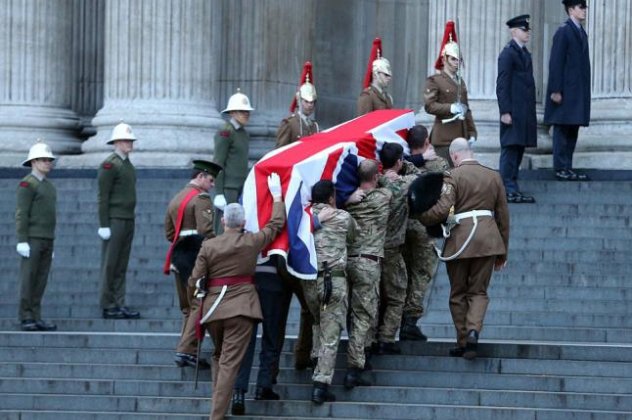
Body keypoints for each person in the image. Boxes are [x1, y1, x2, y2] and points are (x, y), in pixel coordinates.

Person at [192, 173, 285, 420]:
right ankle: (216, 415)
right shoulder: (251, 242)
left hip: (213, 310)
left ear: (223, 221)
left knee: (220, 357)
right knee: (229, 363)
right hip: (241, 308)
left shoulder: (209, 246)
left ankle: (218, 408)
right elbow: (276, 224)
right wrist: (276, 196)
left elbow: (195, 279)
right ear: (243, 222)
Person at [417, 138, 509, 360]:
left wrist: (420, 214)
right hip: (488, 242)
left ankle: (463, 339)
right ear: (470, 152)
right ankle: (474, 331)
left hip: (460, 241)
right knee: (478, 291)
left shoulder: (452, 176)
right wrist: (503, 251)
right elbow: (503, 216)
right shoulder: (494, 176)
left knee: (458, 293)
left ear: (454, 156)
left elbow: (443, 209)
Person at [164, 159, 222, 369]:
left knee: (188, 307)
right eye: (211, 179)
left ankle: (188, 349)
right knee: (199, 303)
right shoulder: (202, 198)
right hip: (195, 255)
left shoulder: (176, 198)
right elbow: (206, 231)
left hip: (178, 255)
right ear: (200, 177)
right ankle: (186, 350)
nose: (212, 184)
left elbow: (169, 233)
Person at [303, 180, 357, 404]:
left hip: (309, 283)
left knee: (317, 321)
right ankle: (321, 384)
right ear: (332, 197)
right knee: (330, 334)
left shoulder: (303, 219)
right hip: (333, 282)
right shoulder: (343, 217)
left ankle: (316, 360)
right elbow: (354, 237)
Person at [344, 160, 392, 388]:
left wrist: (350, 189)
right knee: (364, 316)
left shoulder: (346, 201)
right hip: (368, 264)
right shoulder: (383, 197)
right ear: (375, 177)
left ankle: (357, 353)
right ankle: (355, 367)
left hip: (346, 262)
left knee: (352, 313)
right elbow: (390, 182)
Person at [401, 125, 448, 341]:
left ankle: (393, 319)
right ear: (427, 141)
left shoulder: (401, 163)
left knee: (402, 273)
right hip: (424, 226)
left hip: (400, 226)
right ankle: (409, 320)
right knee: (421, 273)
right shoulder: (438, 164)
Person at [374, 143, 421, 355]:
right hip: (392, 251)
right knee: (397, 296)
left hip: (371, 250)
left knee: (373, 297)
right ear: (400, 161)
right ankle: (386, 338)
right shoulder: (401, 185)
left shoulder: (371, 183)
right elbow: (420, 177)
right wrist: (405, 167)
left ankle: (369, 340)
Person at [544, 0, 591, 181]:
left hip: (576, 92)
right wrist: (555, 89)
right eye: (581, 7)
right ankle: (560, 167)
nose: (584, 11)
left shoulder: (580, 32)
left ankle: (567, 166)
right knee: (562, 129)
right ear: (571, 9)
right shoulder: (564, 31)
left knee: (572, 129)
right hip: (564, 92)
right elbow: (556, 62)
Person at [98, 122, 140, 320]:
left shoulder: (126, 164)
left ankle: (119, 302)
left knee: (121, 264)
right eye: (125, 140)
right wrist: (104, 224)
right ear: (116, 142)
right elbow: (103, 196)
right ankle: (108, 304)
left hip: (127, 218)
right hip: (114, 219)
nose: (129, 143)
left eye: (130, 140)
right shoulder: (110, 164)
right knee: (110, 264)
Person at [16, 140, 58, 332]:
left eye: (49, 160)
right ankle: (26, 316)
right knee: (29, 278)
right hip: (32, 238)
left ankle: (36, 315)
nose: (48, 163)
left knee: (40, 280)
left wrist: (51, 242)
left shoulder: (49, 187)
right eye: (43, 160)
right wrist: (22, 240)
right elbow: (22, 213)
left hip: (46, 238)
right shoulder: (27, 184)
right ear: (33, 162)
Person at [496, 14, 537, 203]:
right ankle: (506, 187)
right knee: (510, 149)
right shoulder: (508, 53)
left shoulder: (523, 53)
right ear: (514, 31)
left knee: (518, 148)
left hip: (523, 111)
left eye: (527, 30)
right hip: (512, 111)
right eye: (523, 29)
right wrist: (505, 110)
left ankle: (513, 185)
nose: (527, 33)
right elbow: (502, 84)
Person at [424, 21, 477, 167]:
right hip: (444, 138)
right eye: (453, 59)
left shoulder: (461, 82)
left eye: (459, 59)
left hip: (461, 136)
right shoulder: (435, 80)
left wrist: (472, 132)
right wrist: (451, 108)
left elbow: (467, 109)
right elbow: (430, 106)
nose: (457, 62)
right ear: (444, 59)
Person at [213, 89, 254, 234]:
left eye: (247, 111)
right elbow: (218, 162)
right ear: (232, 113)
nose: (246, 114)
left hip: (241, 187)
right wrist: (219, 192)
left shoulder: (243, 134)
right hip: (228, 188)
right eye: (242, 111)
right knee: (224, 228)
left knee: (238, 227)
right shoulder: (226, 132)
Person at [276, 61, 320, 148]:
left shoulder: (315, 126)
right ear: (299, 101)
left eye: (312, 102)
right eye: (306, 101)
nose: (310, 105)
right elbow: (280, 151)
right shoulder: (289, 124)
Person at [357, 37, 393, 115]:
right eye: (385, 74)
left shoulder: (388, 97)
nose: (389, 78)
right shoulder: (367, 96)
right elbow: (364, 122)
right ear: (376, 74)